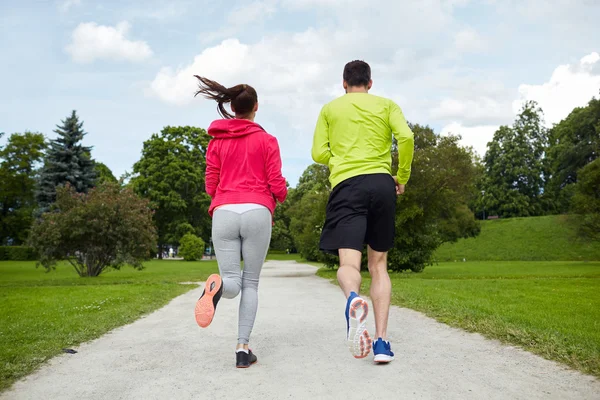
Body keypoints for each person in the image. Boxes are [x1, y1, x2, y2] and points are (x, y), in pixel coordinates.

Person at [311, 60, 415, 363]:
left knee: (349, 262)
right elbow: (406, 138)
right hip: (383, 184)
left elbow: (318, 152)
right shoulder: (387, 105)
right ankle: (382, 344)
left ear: (344, 83)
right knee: (379, 265)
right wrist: (402, 176)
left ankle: (354, 299)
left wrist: (338, 160)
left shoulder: (331, 109)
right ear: (370, 83)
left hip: (347, 185)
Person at [193, 76, 288, 369]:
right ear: (255, 107)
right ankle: (242, 349)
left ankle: (217, 287)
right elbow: (275, 182)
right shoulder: (267, 140)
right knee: (252, 283)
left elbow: (211, 185)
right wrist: (281, 194)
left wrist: (225, 192)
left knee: (232, 281)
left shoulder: (216, 143)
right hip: (257, 211)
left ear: (232, 108)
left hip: (224, 211)